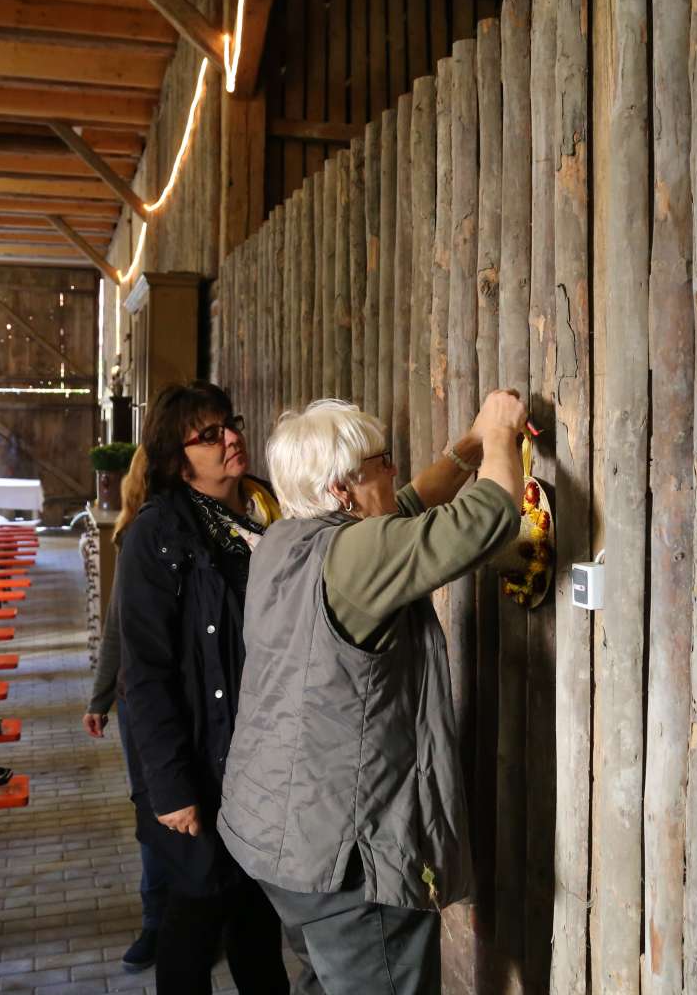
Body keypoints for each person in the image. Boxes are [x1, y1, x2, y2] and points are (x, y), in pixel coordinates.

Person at [218, 390, 528, 994]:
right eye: (382, 462)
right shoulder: (357, 555)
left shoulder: (284, 541)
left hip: (281, 841)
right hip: (347, 859)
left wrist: (462, 453)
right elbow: (488, 518)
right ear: (341, 490)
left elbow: (404, 507)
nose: (394, 469)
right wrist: (499, 437)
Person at [117, 381, 289, 995]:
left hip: (261, 753)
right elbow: (145, 674)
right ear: (178, 456)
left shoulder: (269, 508)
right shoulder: (155, 537)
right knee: (195, 913)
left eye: (231, 424)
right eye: (209, 434)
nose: (231, 439)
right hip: (200, 762)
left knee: (254, 917)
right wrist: (171, 786)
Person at [81, 445, 166, 973]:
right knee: (150, 810)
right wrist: (100, 695)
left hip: (174, 697)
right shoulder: (135, 536)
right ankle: (155, 918)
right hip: (138, 699)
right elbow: (116, 625)